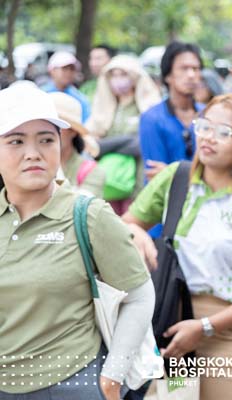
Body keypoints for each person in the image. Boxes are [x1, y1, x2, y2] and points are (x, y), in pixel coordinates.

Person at [122, 92, 232, 399]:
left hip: (229, 331)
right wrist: (135, 232)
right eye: (204, 126)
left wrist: (206, 326)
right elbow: (126, 225)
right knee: (172, 396)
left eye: (224, 132)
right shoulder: (177, 178)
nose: (209, 137)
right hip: (171, 325)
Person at [0, 83, 154, 400]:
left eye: (46, 139)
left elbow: (139, 295)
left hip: (72, 383)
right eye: (16, 141)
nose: (33, 153)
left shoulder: (88, 215)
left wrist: (113, 376)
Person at [86, 55, 162, 215]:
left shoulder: (146, 108)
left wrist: (106, 146)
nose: (118, 80)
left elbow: (140, 144)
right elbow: (91, 145)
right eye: (114, 75)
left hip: (137, 182)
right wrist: (122, 143)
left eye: (123, 74)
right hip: (110, 181)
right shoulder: (105, 107)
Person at [139, 41, 204, 182]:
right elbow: (155, 175)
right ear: (168, 75)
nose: (191, 75)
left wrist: (172, 172)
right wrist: (199, 174)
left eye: (196, 68)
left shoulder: (208, 115)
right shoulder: (152, 118)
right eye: (184, 68)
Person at [50, 92, 105, 197]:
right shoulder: (32, 166)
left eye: (57, 126)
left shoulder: (92, 171)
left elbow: (80, 204)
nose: (48, 133)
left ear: (73, 131)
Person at [41, 51, 91, 122]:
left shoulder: (80, 99)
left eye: (72, 69)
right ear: (52, 70)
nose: (68, 72)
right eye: (64, 68)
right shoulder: (41, 95)